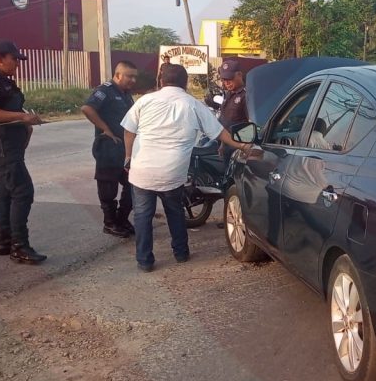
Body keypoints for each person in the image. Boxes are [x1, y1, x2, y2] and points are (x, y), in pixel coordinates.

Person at [122, 62, 254, 272]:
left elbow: (128, 130)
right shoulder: (193, 104)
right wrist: (242, 146)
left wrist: (128, 157)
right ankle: (181, 253)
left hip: (142, 170)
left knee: (142, 216)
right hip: (172, 172)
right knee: (175, 211)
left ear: (161, 81)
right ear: (185, 83)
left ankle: (145, 261)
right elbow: (220, 133)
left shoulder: (144, 101)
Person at [0, 40, 47, 264]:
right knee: (22, 190)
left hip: (8, 142)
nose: (17, 63)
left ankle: (4, 241)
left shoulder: (2, 79)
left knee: (7, 191)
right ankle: (19, 246)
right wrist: (22, 117)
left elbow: (7, 108)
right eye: (14, 59)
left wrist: (25, 124)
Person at [81, 61, 138, 237]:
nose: (133, 80)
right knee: (108, 188)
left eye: (134, 77)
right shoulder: (105, 90)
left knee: (133, 185)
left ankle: (122, 219)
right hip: (108, 147)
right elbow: (87, 108)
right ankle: (110, 223)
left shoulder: (126, 94)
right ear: (118, 75)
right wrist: (105, 129)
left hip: (124, 148)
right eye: (129, 76)